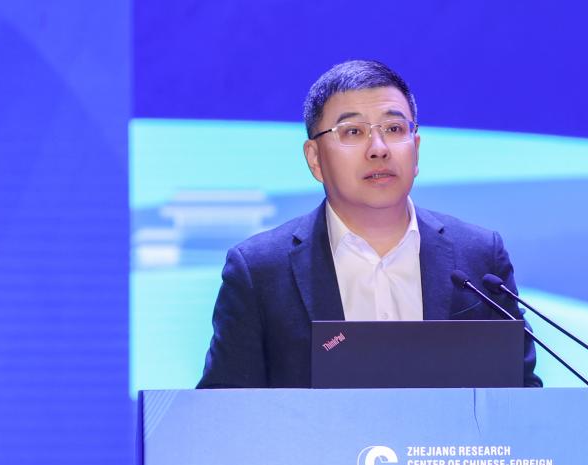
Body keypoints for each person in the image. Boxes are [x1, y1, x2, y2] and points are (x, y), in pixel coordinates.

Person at [197, 59, 540, 388]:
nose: (378, 149)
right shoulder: (260, 271)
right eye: (353, 131)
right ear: (315, 159)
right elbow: (224, 410)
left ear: (416, 148)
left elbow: (521, 396)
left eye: (394, 129)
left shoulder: (479, 259)